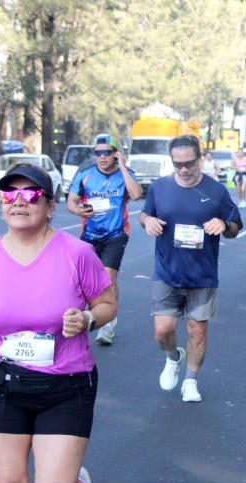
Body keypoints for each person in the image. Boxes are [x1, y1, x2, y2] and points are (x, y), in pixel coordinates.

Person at [0, 163, 117, 483]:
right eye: (9, 194)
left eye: (31, 194)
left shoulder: (78, 253)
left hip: (66, 385)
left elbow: (107, 305)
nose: (19, 201)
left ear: (50, 206)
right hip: (2, 385)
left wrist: (87, 320)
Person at [139, 135, 242, 403]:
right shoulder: (159, 187)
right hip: (167, 272)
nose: (184, 169)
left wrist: (224, 225)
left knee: (197, 330)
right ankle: (174, 357)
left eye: (190, 163)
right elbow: (144, 214)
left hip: (202, 275)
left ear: (200, 158)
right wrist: (147, 221)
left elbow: (235, 226)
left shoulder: (216, 190)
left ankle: (190, 381)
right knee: (162, 331)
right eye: (178, 164)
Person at [67, 133, 142, 345]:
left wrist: (123, 167)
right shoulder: (85, 174)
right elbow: (71, 201)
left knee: (108, 277)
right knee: (83, 279)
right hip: (89, 235)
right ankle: (80, 318)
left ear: (115, 154)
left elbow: (136, 194)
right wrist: (79, 211)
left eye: (107, 153)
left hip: (116, 234)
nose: (102, 157)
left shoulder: (126, 174)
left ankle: (107, 324)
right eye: (97, 153)